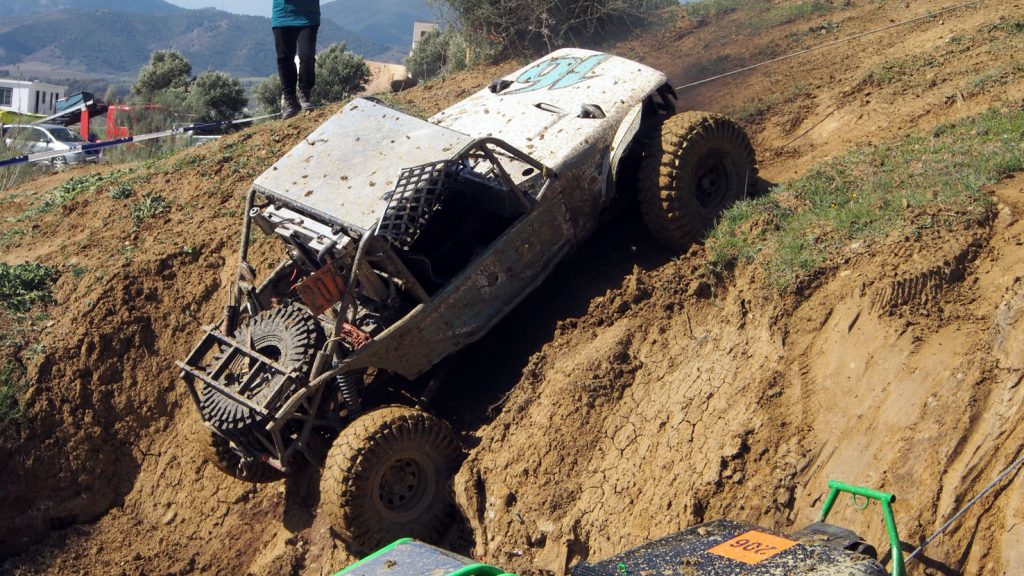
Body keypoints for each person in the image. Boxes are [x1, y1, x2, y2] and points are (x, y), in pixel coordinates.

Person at [272, 0, 320, 119]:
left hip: (308, 16)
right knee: (284, 58)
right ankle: (290, 101)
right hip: (283, 15)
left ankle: (304, 94)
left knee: (307, 55)